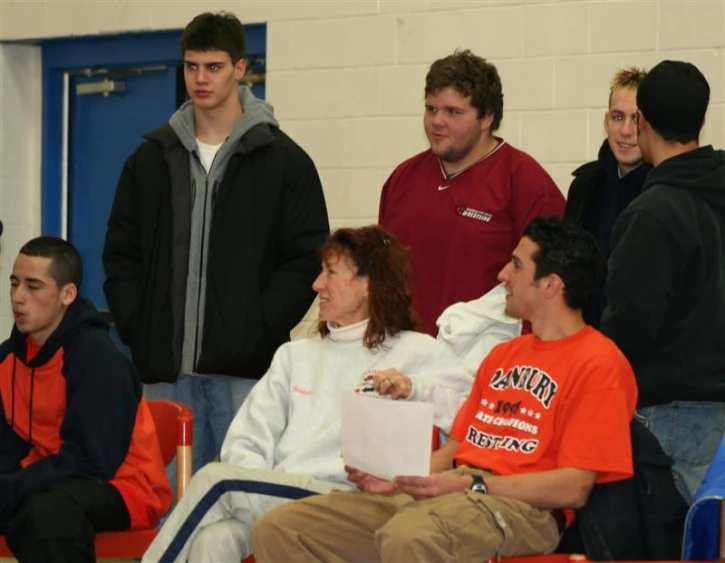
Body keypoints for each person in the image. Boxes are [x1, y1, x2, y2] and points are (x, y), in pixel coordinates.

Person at [252, 217, 638, 562]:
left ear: (551, 284)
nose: (503, 273)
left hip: (520, 507)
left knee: (409, 537)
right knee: (281, 528)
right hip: (451, 492)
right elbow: (455, 452)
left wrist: (473, 484)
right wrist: (395, 479)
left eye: (517, 265)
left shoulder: (599, 362)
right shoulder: (503, 355)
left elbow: (574, 487)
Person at [141, 225, 472, 563]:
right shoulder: (294, 356)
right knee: (214, 538)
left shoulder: (417, 352)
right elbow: (246, 441)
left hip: (347, 496)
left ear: (367, 284)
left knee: (215, 480)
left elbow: (469, 419)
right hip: (277, 492)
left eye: (330, 273)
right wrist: (253, 492)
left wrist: (415, 388)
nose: (316, 285)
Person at [103, 12, 330, 477]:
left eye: (214, 66)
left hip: (245, 376)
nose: (201, 79)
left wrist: (257, 327)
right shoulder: (149, 160)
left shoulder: (285, 162)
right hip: (164, 376)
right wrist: (138, 326)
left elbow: (305, 257)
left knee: (241, 506)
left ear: (241, 69)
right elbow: (121, 255)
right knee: (166, 511)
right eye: (191, 67)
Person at [0, 237, 171, 562]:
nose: (18, 297)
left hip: (123, 485)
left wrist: (12, 488)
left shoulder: (96, 358)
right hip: (47, 481)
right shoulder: (7, 361)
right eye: (14, 283)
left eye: (33, 286)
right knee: (37, 505)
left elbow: (92, 462)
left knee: (47, 514)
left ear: (68, 294)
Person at [600, 60, 725, 504]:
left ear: (643, 121)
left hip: (669, 417)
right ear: (702, 121)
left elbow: (628, 326)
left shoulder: (653, 213)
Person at [379, 49, 565, 336]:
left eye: (453, 111)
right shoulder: (402, 179)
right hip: (407, 360)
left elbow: (552, 287)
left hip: (487, 361)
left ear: (487, 117)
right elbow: (381, 276)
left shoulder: (524, 181)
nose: (437, 121)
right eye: (431, 109)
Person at [564, 67, 651, 327]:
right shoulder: (585, 186)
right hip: (587, 342)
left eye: (636, 119)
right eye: (617, 117)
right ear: (606, 121)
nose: (626, 131)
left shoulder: (664, 193)